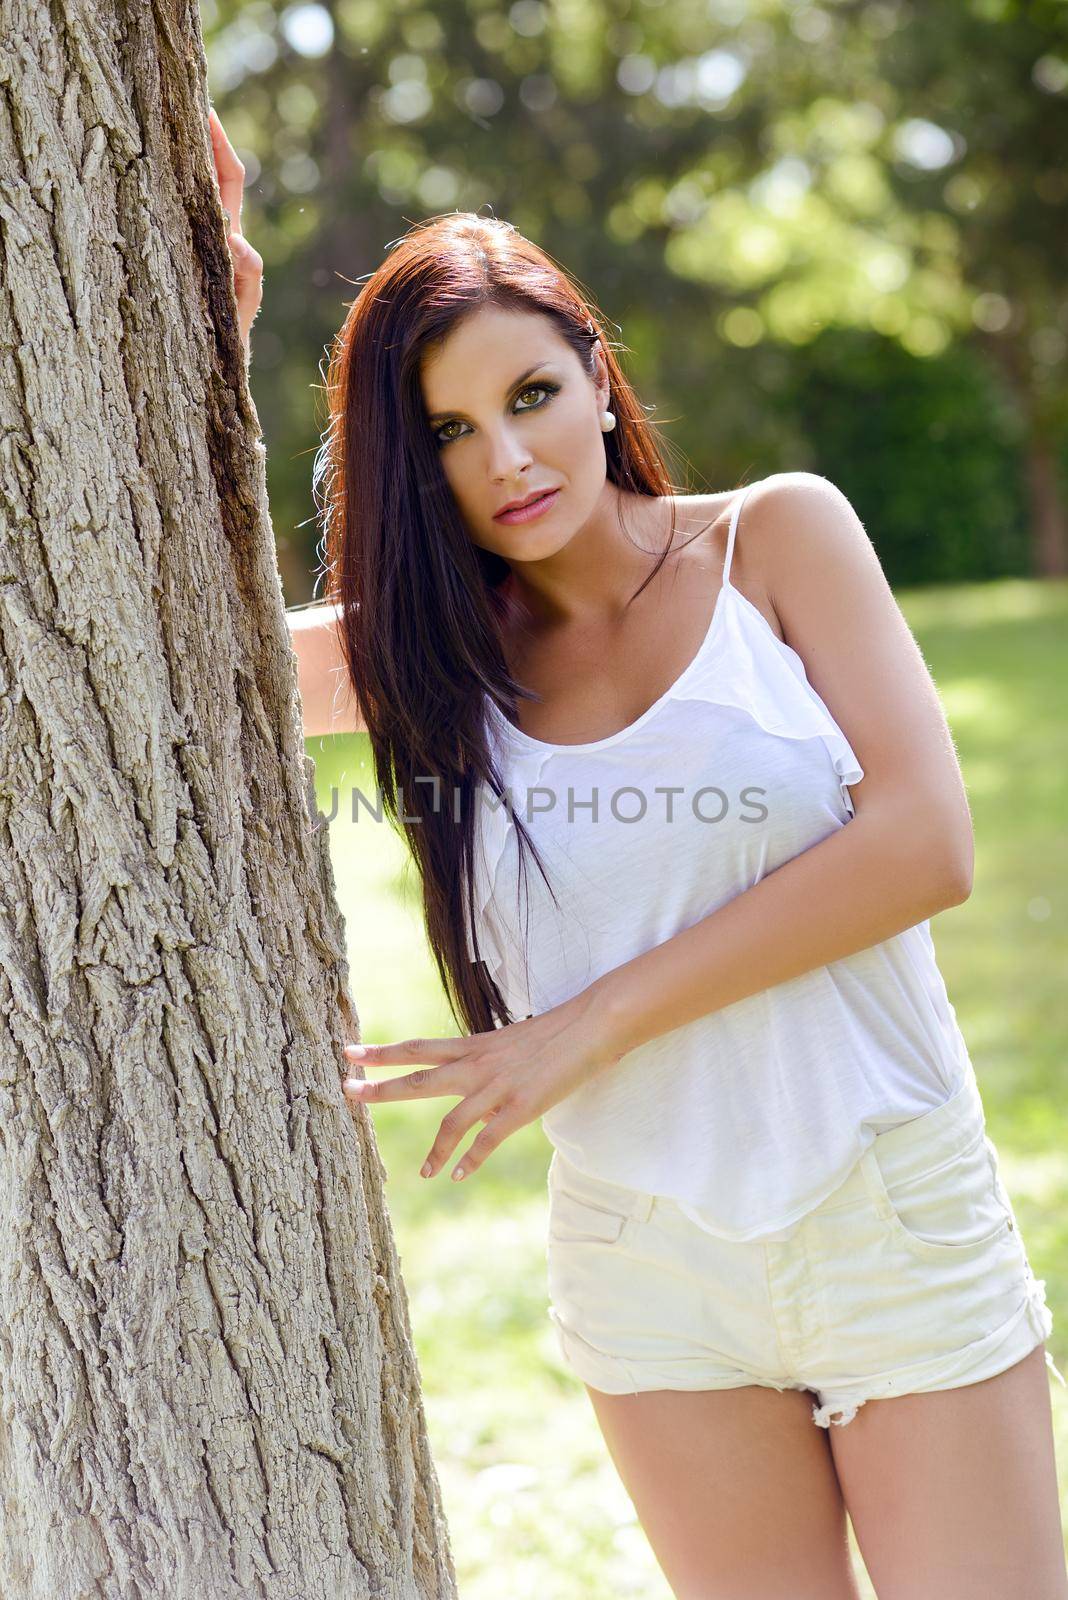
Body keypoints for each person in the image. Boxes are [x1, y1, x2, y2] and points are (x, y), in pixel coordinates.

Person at [210, 108, 1068, 1600]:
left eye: (533, 394)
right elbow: (174, 634)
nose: (510, 456)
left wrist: (577, 1033)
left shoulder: (777, 543)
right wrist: (206, 328)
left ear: (599, 381)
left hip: (890, 1213)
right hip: (649, 1262)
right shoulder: (429, 658)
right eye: (452, 434)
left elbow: (926, 844)